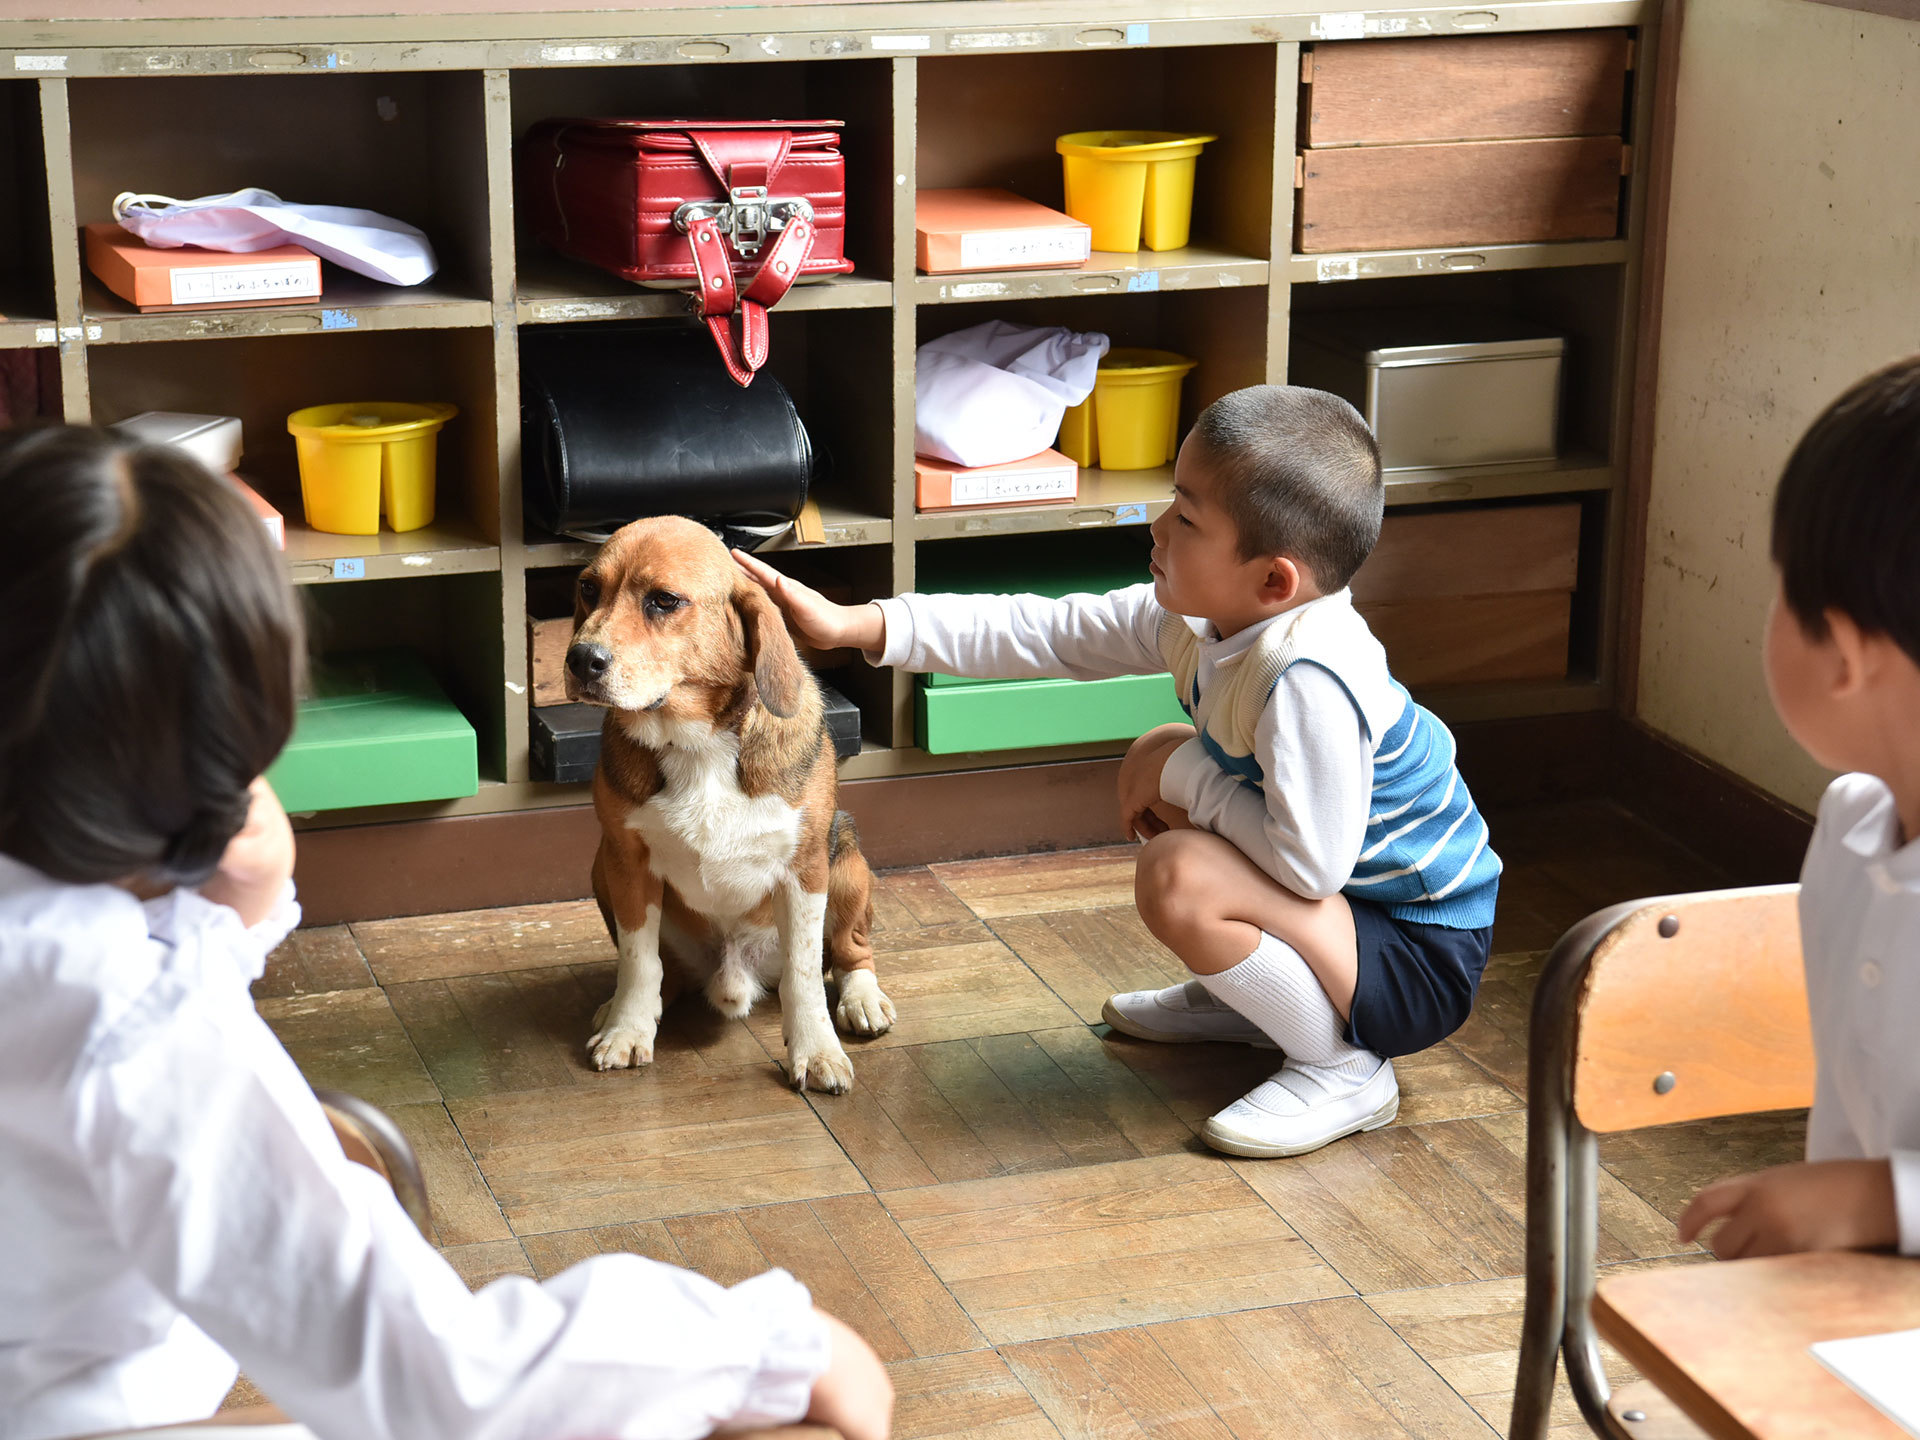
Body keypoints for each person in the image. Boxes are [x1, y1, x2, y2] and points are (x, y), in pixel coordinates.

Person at [0, 426, 894, 1440]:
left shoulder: (90, 973)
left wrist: (231, 920)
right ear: (244, 744)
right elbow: (439, 1389)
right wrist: (768, 1339)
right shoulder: (144, 1038)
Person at [738, 385, 1501, 1159]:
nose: (1157, 525)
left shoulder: (1308, 677)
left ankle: (1342, 1065)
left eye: (1188, 518)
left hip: (1417, 953)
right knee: (1180, 799)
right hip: (1352, 912)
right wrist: (858, 624)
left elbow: (1310, 867)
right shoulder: (1206, 618)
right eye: (1173, 500)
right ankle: (1261, 1005)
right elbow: (1043, 632)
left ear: (1275, 581)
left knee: (1179, 870)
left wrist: (1179, 767)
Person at [1678, 355, 1920, 1261]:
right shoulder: (1853, 826)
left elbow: (1863, 1184)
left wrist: (1879, 1201)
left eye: (1780, 588)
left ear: (1845, 653)